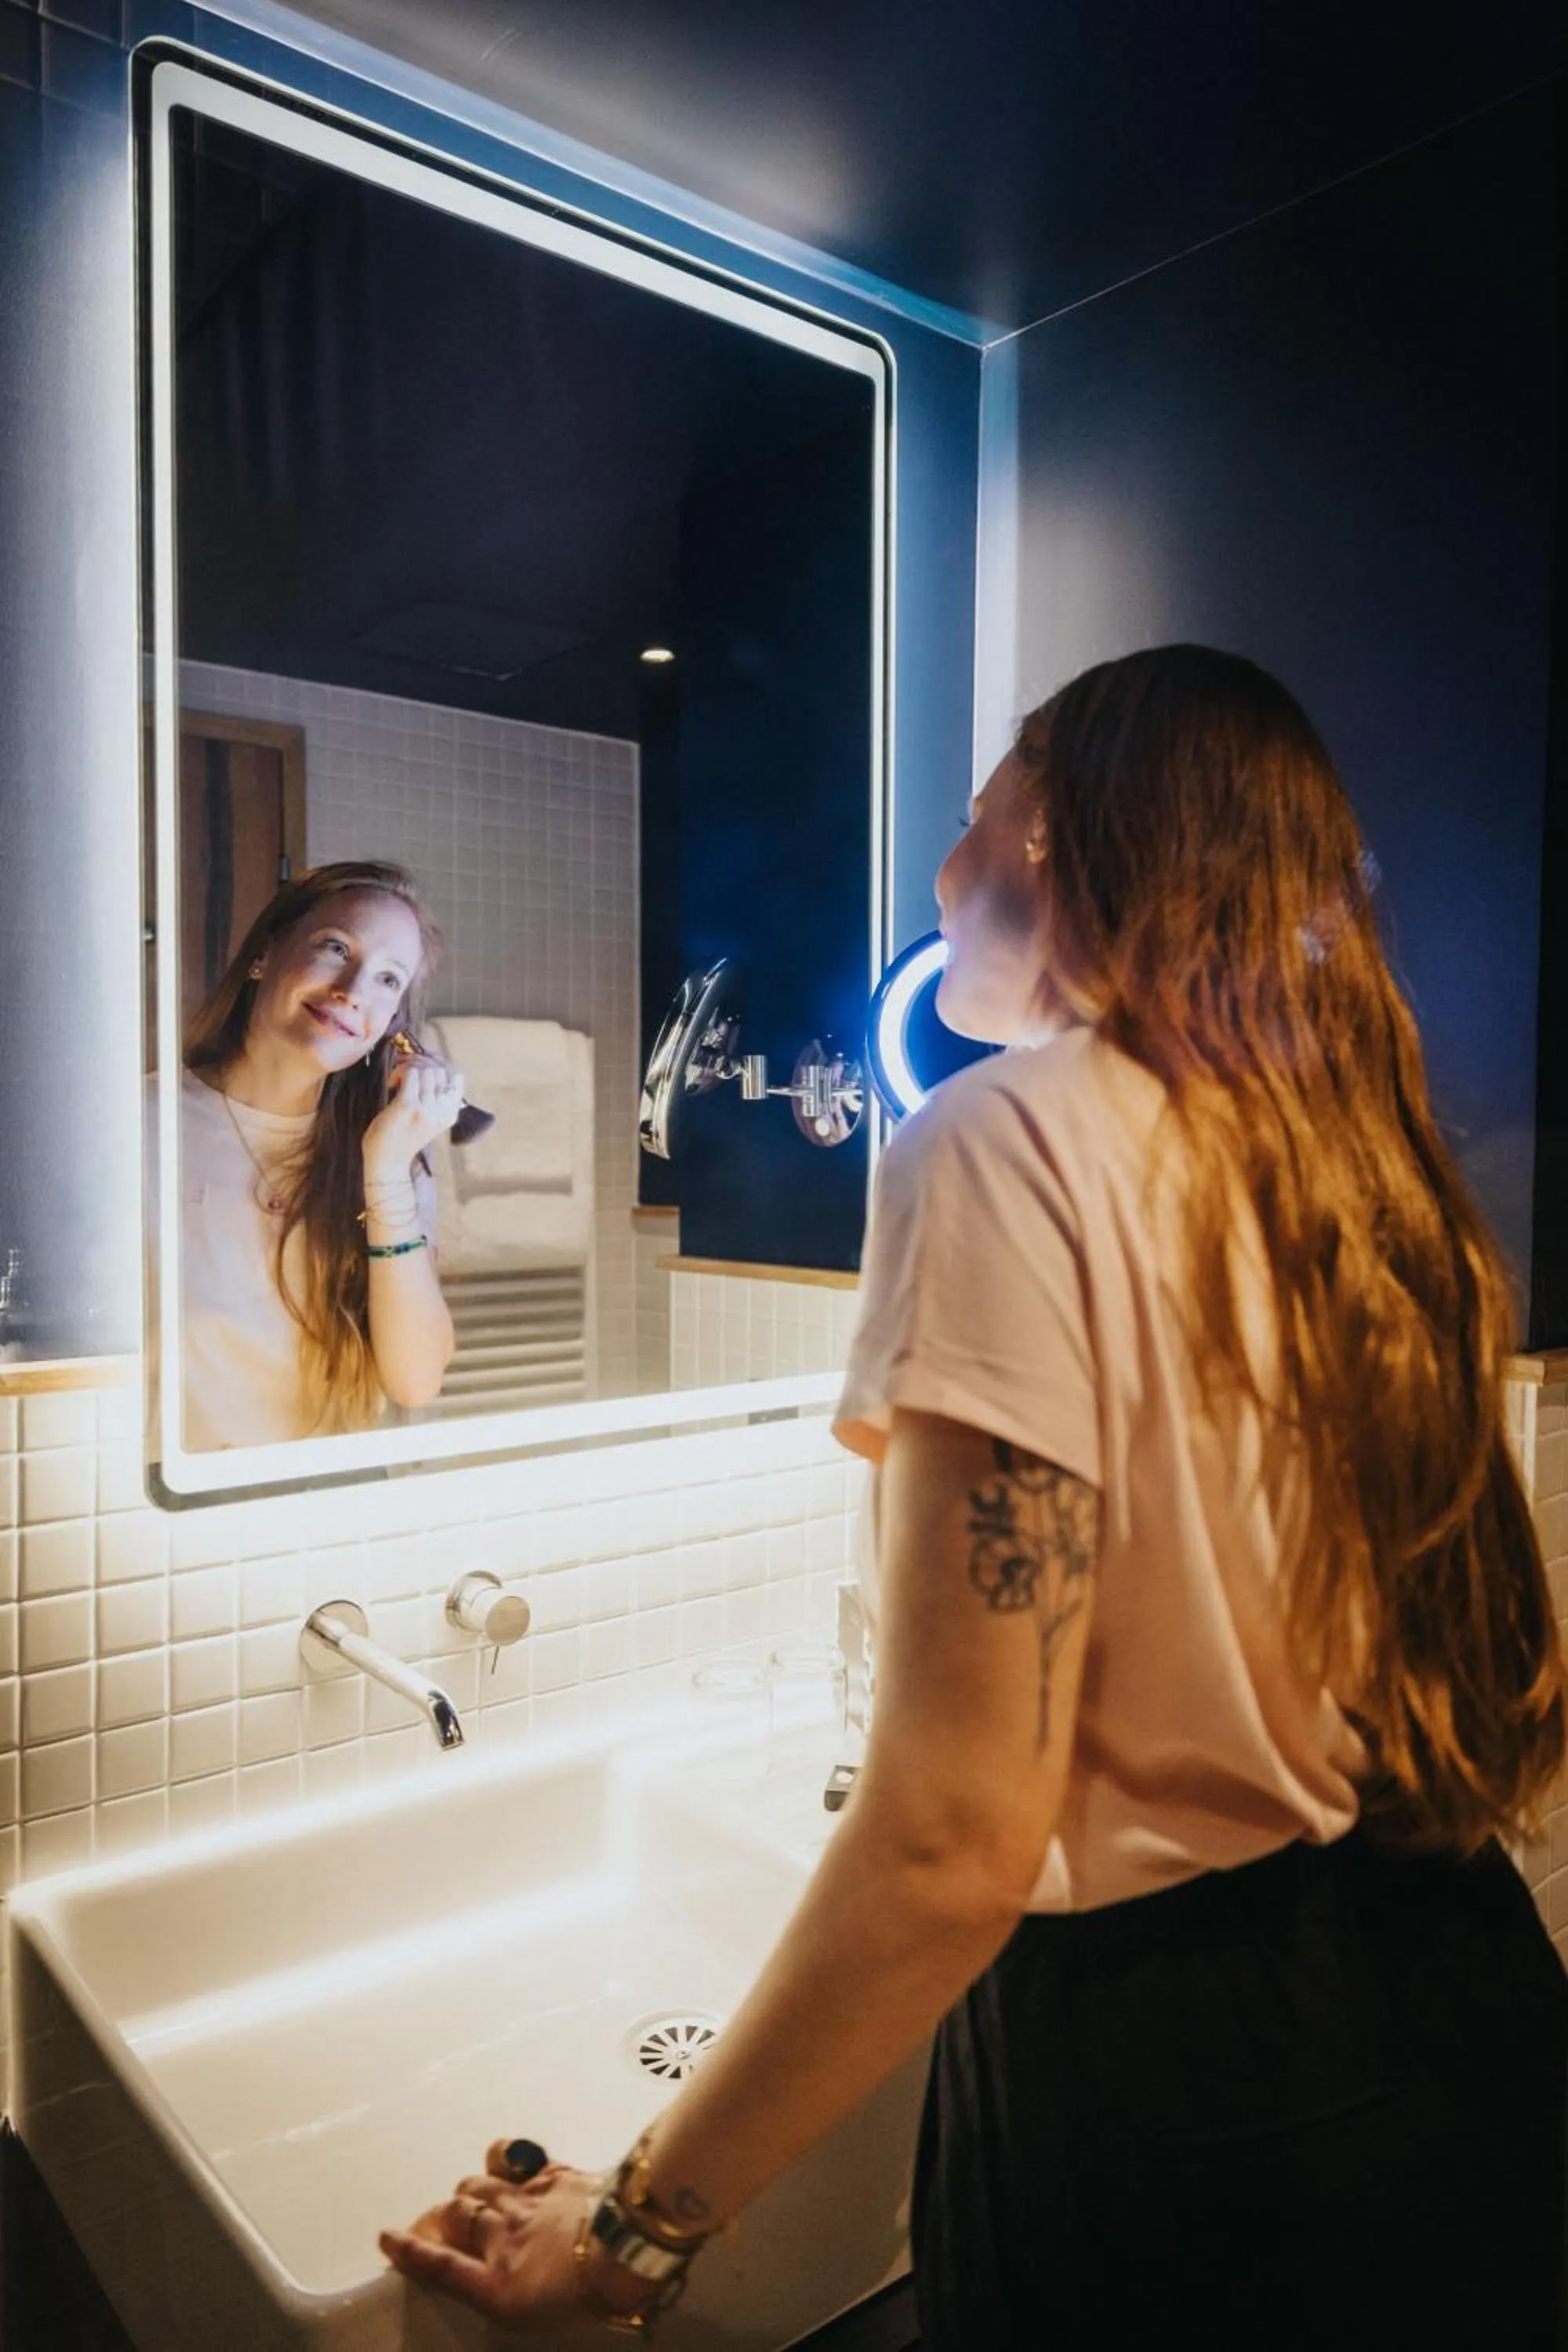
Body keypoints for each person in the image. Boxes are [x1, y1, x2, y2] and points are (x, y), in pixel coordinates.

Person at [379, 647, 1568, 2346]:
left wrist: (630, 2234)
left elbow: (949, 1843)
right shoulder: (1360, 1177)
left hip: (1186, 2104)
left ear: (1042, 839)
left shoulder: (1007, 1138)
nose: (943, 868)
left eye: (968, 814)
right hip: (1460, 2020)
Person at [176, 858, 460, 1448]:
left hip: (329, 1509)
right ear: (264, 954)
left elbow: (414, 1381)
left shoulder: (392, 1157)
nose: (353, 991)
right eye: (336, 947)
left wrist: (383, 1171)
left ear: (390, 1028)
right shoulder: (140, 1123)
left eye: (387, 980)